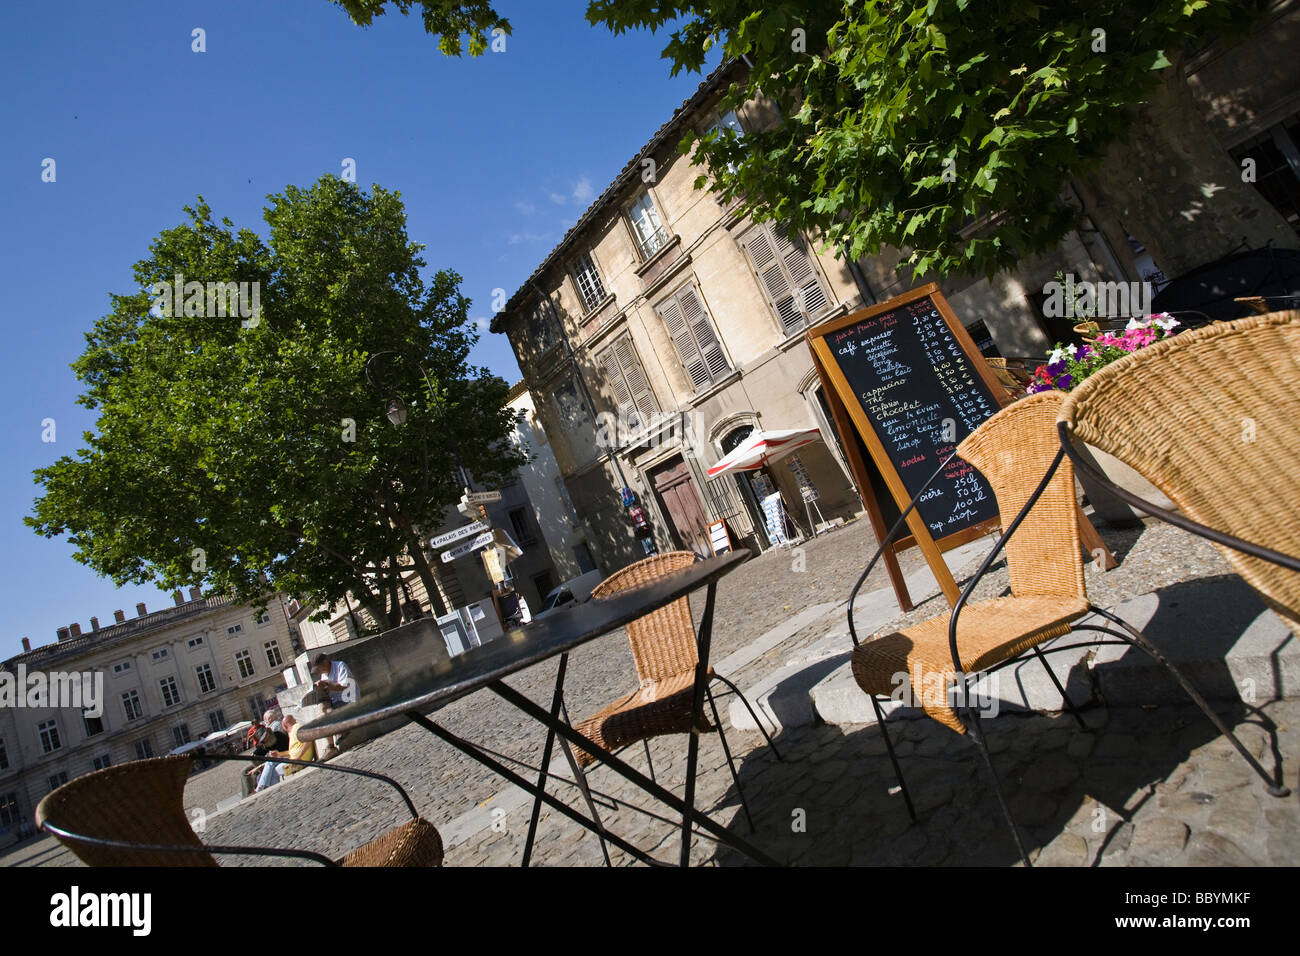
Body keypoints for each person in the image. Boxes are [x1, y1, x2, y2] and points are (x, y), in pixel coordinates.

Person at [254, 715, 315, 792]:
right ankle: (271, 790)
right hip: (296, 759)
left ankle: (263, 789)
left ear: (285, 726)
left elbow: (308, 739)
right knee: (272, 767)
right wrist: (279, 754)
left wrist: (298, 757)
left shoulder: (296, 727)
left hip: (299, 760)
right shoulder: (293, 732)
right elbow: (291, 751)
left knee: (271, 766)